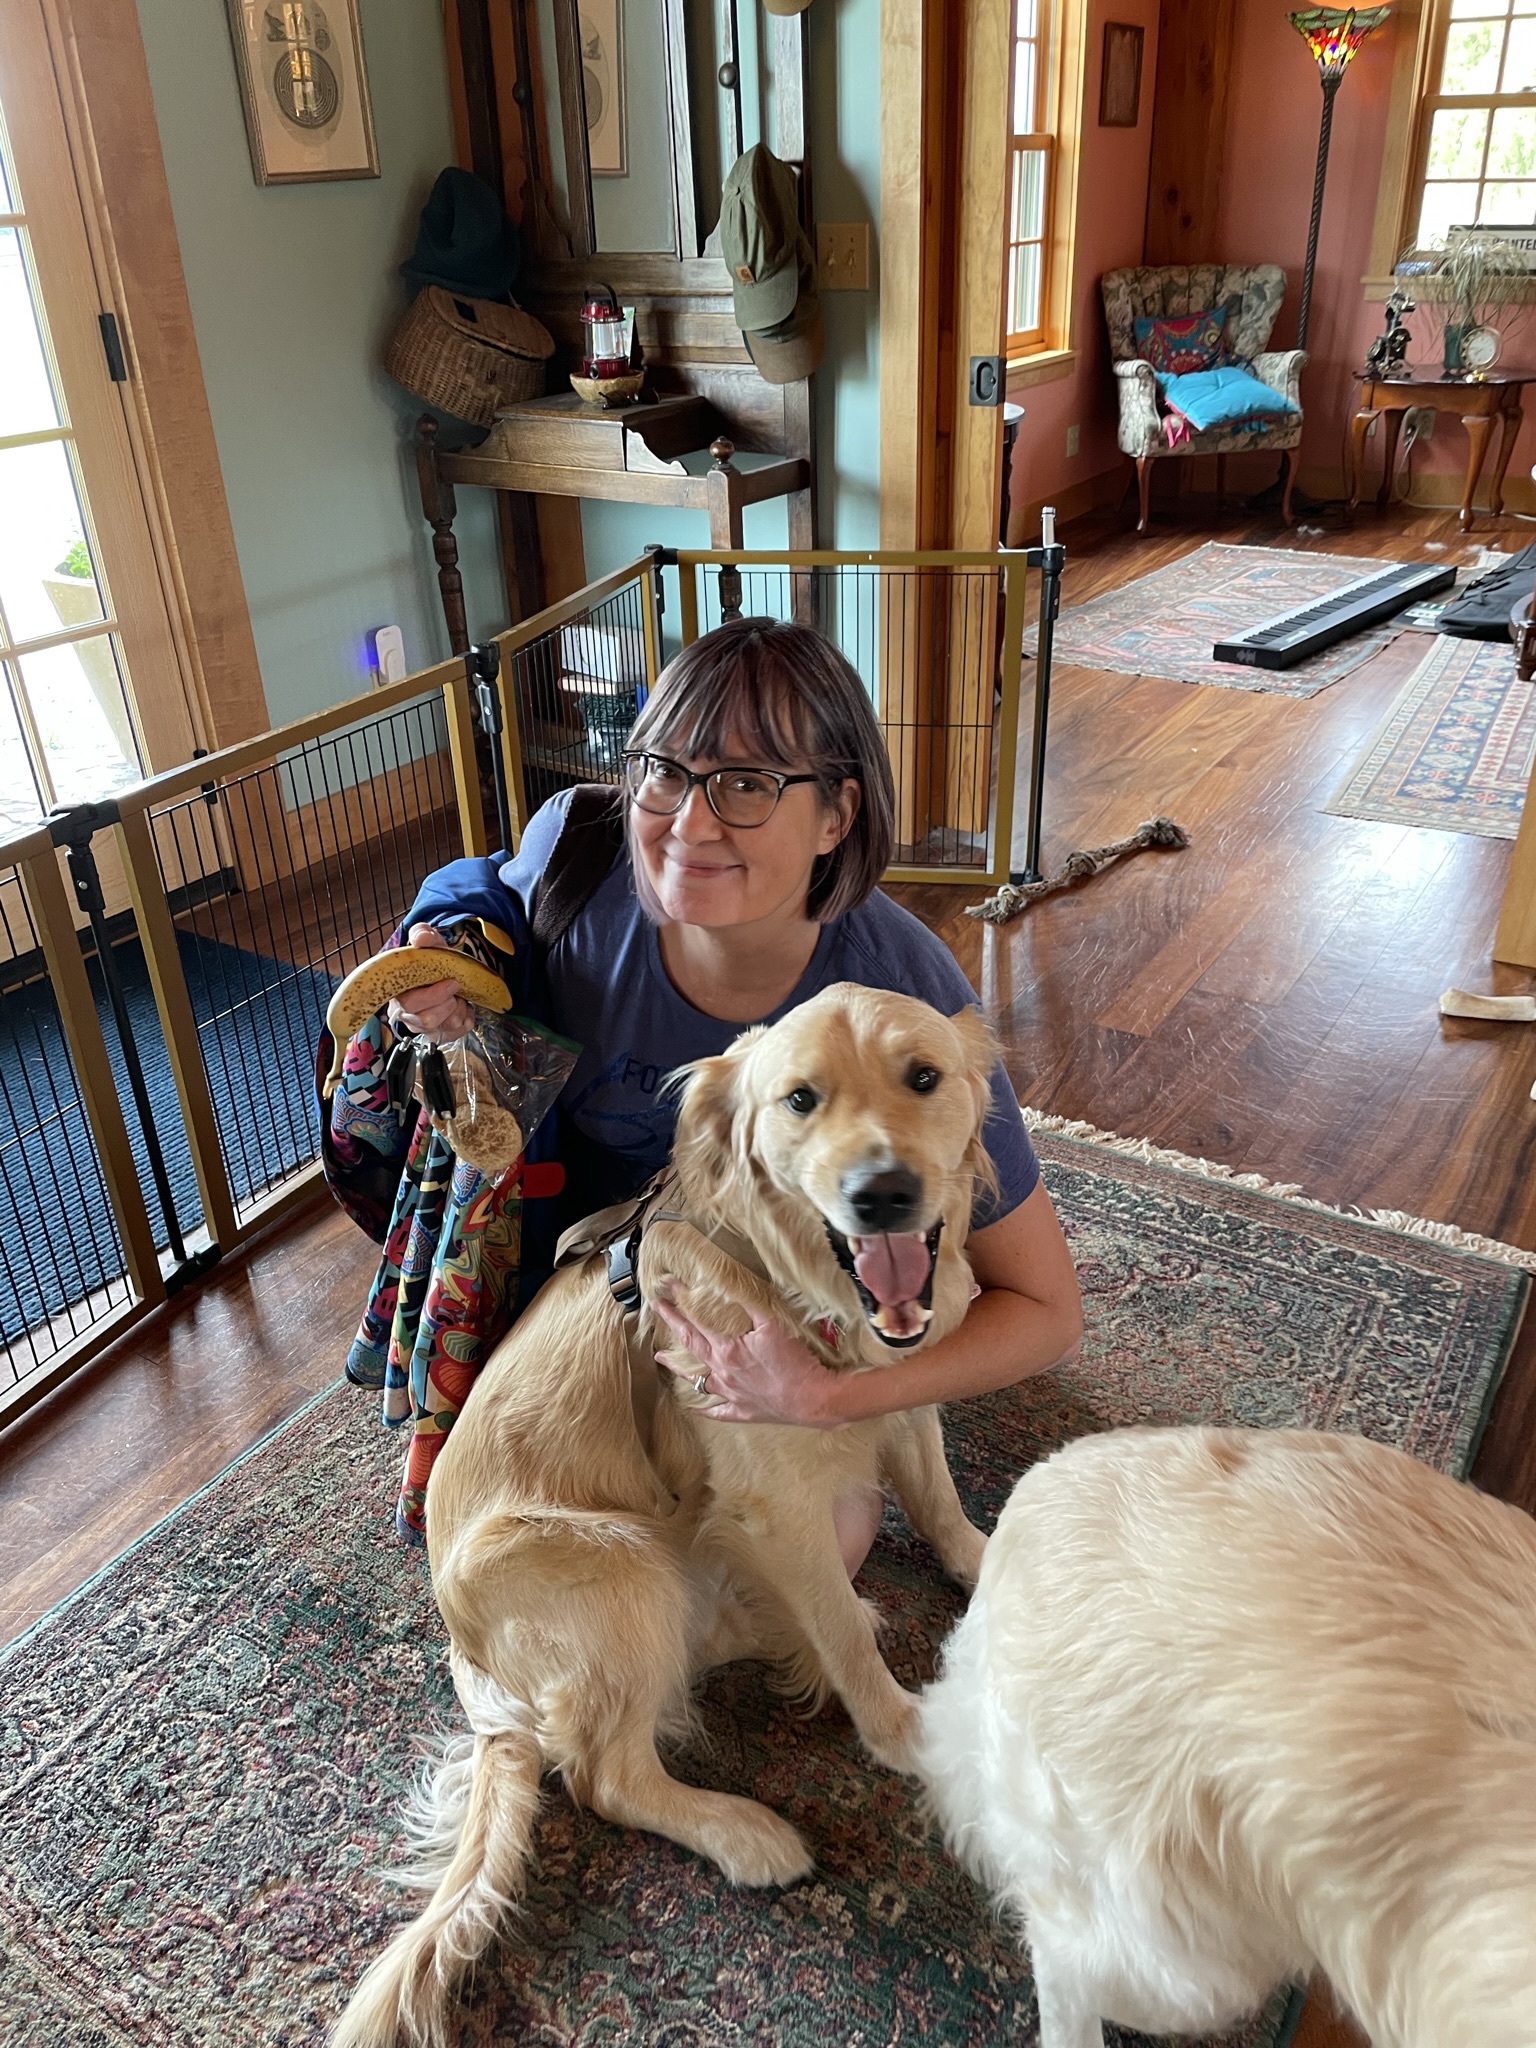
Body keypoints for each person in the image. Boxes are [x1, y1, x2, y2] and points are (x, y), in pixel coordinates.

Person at [330, 617, 1082, 1544]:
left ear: (837, 815)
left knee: (835, 1538)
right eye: (665, 770)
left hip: (781, 1289)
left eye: (748, 783)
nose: (689, 822)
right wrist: (443, 973)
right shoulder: (579, 857)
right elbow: (476, 898)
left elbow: (1044, 1310)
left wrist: (828, 1396)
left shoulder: (905, 1001)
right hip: (582, 1277)